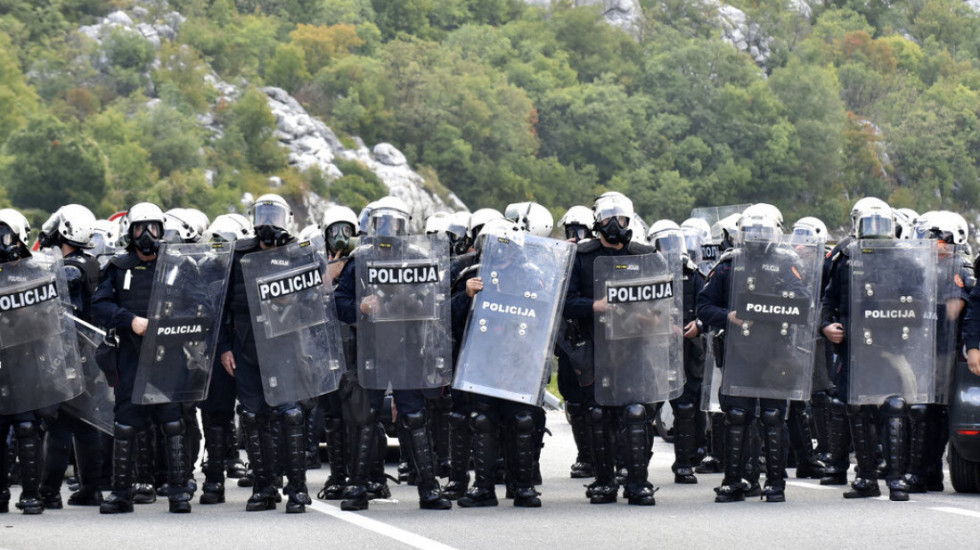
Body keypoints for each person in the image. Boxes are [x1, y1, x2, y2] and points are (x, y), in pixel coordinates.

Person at [334, 196, 452, 511]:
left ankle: (428, 488)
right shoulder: (359, 259)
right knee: (365, 418)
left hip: (407, 348)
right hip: (371, 346)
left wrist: (410, 300)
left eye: (394, 222)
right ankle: (358, 488)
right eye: (381, 222)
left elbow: (435, 301)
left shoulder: (416, 258)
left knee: (413, 417)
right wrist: (359, 307)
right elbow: (338, 301)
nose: (387, 230)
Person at [697, 203, 816, 503]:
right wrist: (729, 316)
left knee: (774, 417)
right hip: (739, 353)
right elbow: (704, 307)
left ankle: (775, 483)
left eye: (763, 231)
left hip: (777, 352)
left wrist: (778, 305)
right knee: (736, 416)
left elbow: (804, 304)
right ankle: (734, 481)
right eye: (752, 231)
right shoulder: (728, 263)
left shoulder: (788, 263)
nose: (758, 237)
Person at [217, 193, 316, 513]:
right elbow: (220, 307)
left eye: (274, 216)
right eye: (263, 215)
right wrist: (224, 349)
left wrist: (294, 301)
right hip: (245, 348)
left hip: (285, 347)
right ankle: (264, 487)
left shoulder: (298, 254)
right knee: (252, 417)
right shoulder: (238, 255)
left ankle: (298, 489)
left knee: (290, 415)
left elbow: (316, 304)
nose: (268, 223)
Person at [94, 202, 193, 514]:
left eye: (153, 228)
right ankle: (121, 493)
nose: (147, 234)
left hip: (168, 356)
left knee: (173, 422)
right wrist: (128, 319)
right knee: (125, 424)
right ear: (130, 232)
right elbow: (100, 305)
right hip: (131, 356)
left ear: (162, 231)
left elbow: (201, 303)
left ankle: (178, 492)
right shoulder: (118, 267)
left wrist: (177, 323)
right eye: (140, 228)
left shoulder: (178, 265)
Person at [563, 192, 661, 505]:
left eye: (619, 218)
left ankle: (637, 482)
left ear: (628, 221)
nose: (614, 224)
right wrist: (596, 305)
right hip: (596, 346)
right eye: (607, 218)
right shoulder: (581, 255)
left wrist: (654, 316)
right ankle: (604, 481)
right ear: (597, 221)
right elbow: (565, 302)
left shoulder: (644, 255)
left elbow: (664, 299)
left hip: (634, 345)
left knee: (635, 412)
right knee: (598, 413)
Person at [37, 205, 107, 510]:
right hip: (90, 355)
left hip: (69, 355)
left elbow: (67, 318)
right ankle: (91, 489)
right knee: (84, 424)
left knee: (60, 426)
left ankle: (49, 491)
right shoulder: (90, 263)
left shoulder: (68, 270)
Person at [648, 220, 706, 485]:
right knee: (644, 410)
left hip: (686, 351)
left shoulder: (693, 274)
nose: (671, 249)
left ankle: (684, 464)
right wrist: (659, 324)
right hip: (652, 352)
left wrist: (698, 325)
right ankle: (634, 467)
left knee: (685, 408)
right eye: (665, 243)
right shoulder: (645, 273)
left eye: (675, 242)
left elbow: (705, 306)